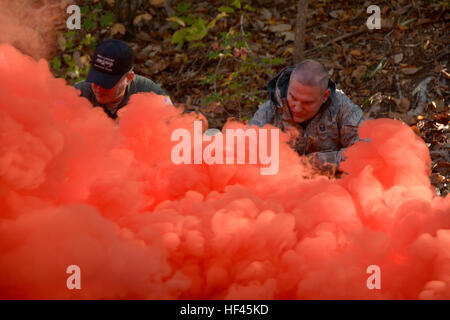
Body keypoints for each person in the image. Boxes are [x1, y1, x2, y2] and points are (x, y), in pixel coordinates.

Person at [249, 60, 365, 176]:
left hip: (332, 186)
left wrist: (312, 163)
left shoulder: (343, 108)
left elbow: (365, 150)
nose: (297, 108)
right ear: (288, 87)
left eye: (307, 103)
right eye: (293, 98)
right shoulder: (271, 110)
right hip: (283, 185)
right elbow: (245, 153)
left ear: (325, 96)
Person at [74, 38, 170, 119]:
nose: (98, 88)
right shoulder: (78, 94)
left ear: (129, 78)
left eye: (106, 83)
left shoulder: (153, 96)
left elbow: (174, 131)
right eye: (95, 79)